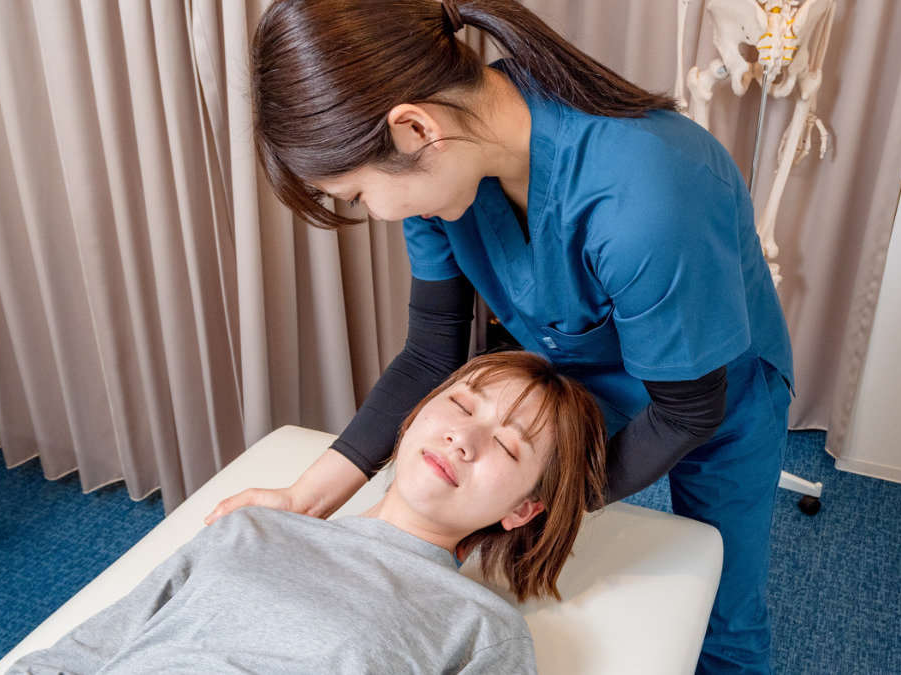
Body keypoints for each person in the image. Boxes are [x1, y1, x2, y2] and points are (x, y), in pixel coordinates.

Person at [207, 1, 794, 672]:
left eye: (358, 196)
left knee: (725, 614)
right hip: (573, 379)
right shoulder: (448, 164)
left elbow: (688, 411)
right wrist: (302, 499)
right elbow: (431, 350)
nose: (376, 213)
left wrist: (537, 499)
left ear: (413, 129)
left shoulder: (644, 199)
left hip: (716, 394)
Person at [10, 352, 607, 674]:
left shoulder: (481, 628)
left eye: (507, 445)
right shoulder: (252, 527)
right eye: (461, 405)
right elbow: (85, 653)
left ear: (523, 510)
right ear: (413, 415)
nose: (463, 439)